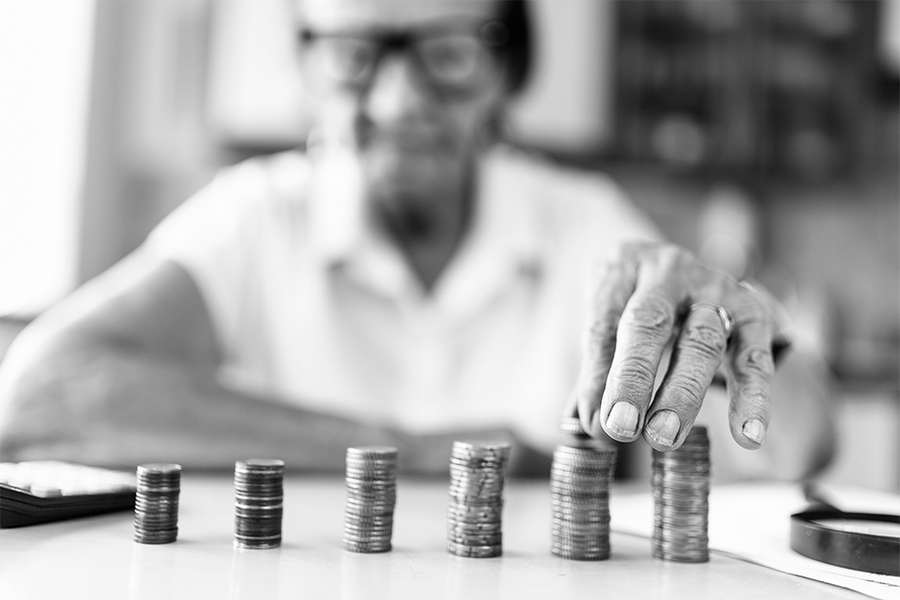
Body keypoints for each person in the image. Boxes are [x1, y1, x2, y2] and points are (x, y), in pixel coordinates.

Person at [0, 0, 834, 479]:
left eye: (446, 54)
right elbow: (36, 399)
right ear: (307, 71)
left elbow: (805, 442)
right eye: (355, 55)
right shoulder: (255, 217)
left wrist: (743, 332)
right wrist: (429, 452)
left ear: (505, 72)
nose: (399, 102)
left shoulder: (583, 219)